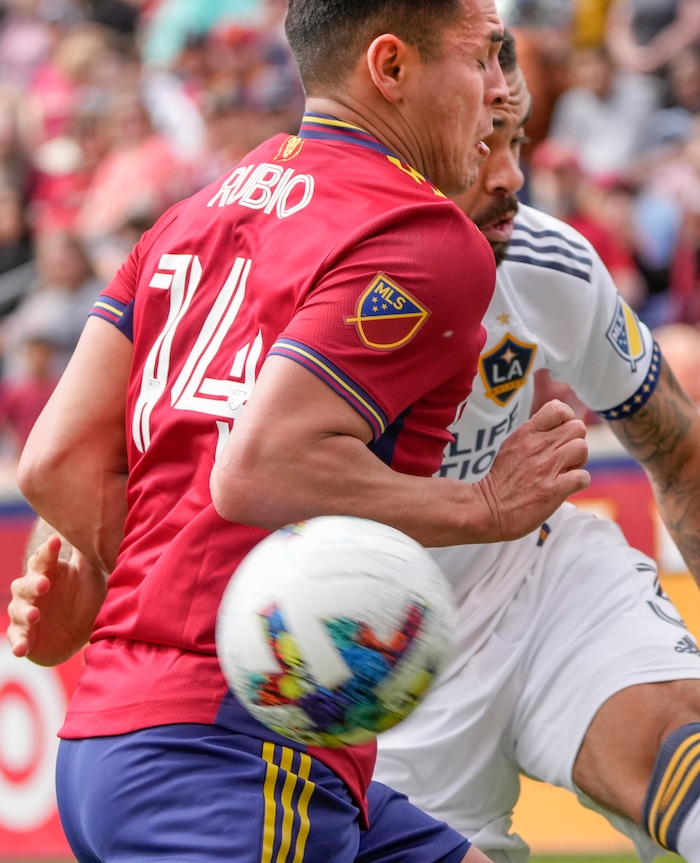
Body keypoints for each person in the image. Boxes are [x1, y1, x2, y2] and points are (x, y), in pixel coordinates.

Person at [6, 4, 592, 863]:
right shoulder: (425, 233)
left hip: (125, 738)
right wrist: (484, 503)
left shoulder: (190, 216)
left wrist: (127, 581)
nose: (499, 88)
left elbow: (53, 458)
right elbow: (258, 469)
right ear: (389, 67)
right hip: (236, 751)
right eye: (481, 59)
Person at [373, 29, 700, 863]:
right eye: (485, 145)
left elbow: (678, 449)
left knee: (680, 744)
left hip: (537, 575)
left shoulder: (549, 263)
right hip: (372, 649)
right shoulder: (298, 280)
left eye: (516, 139)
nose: (511, 176)